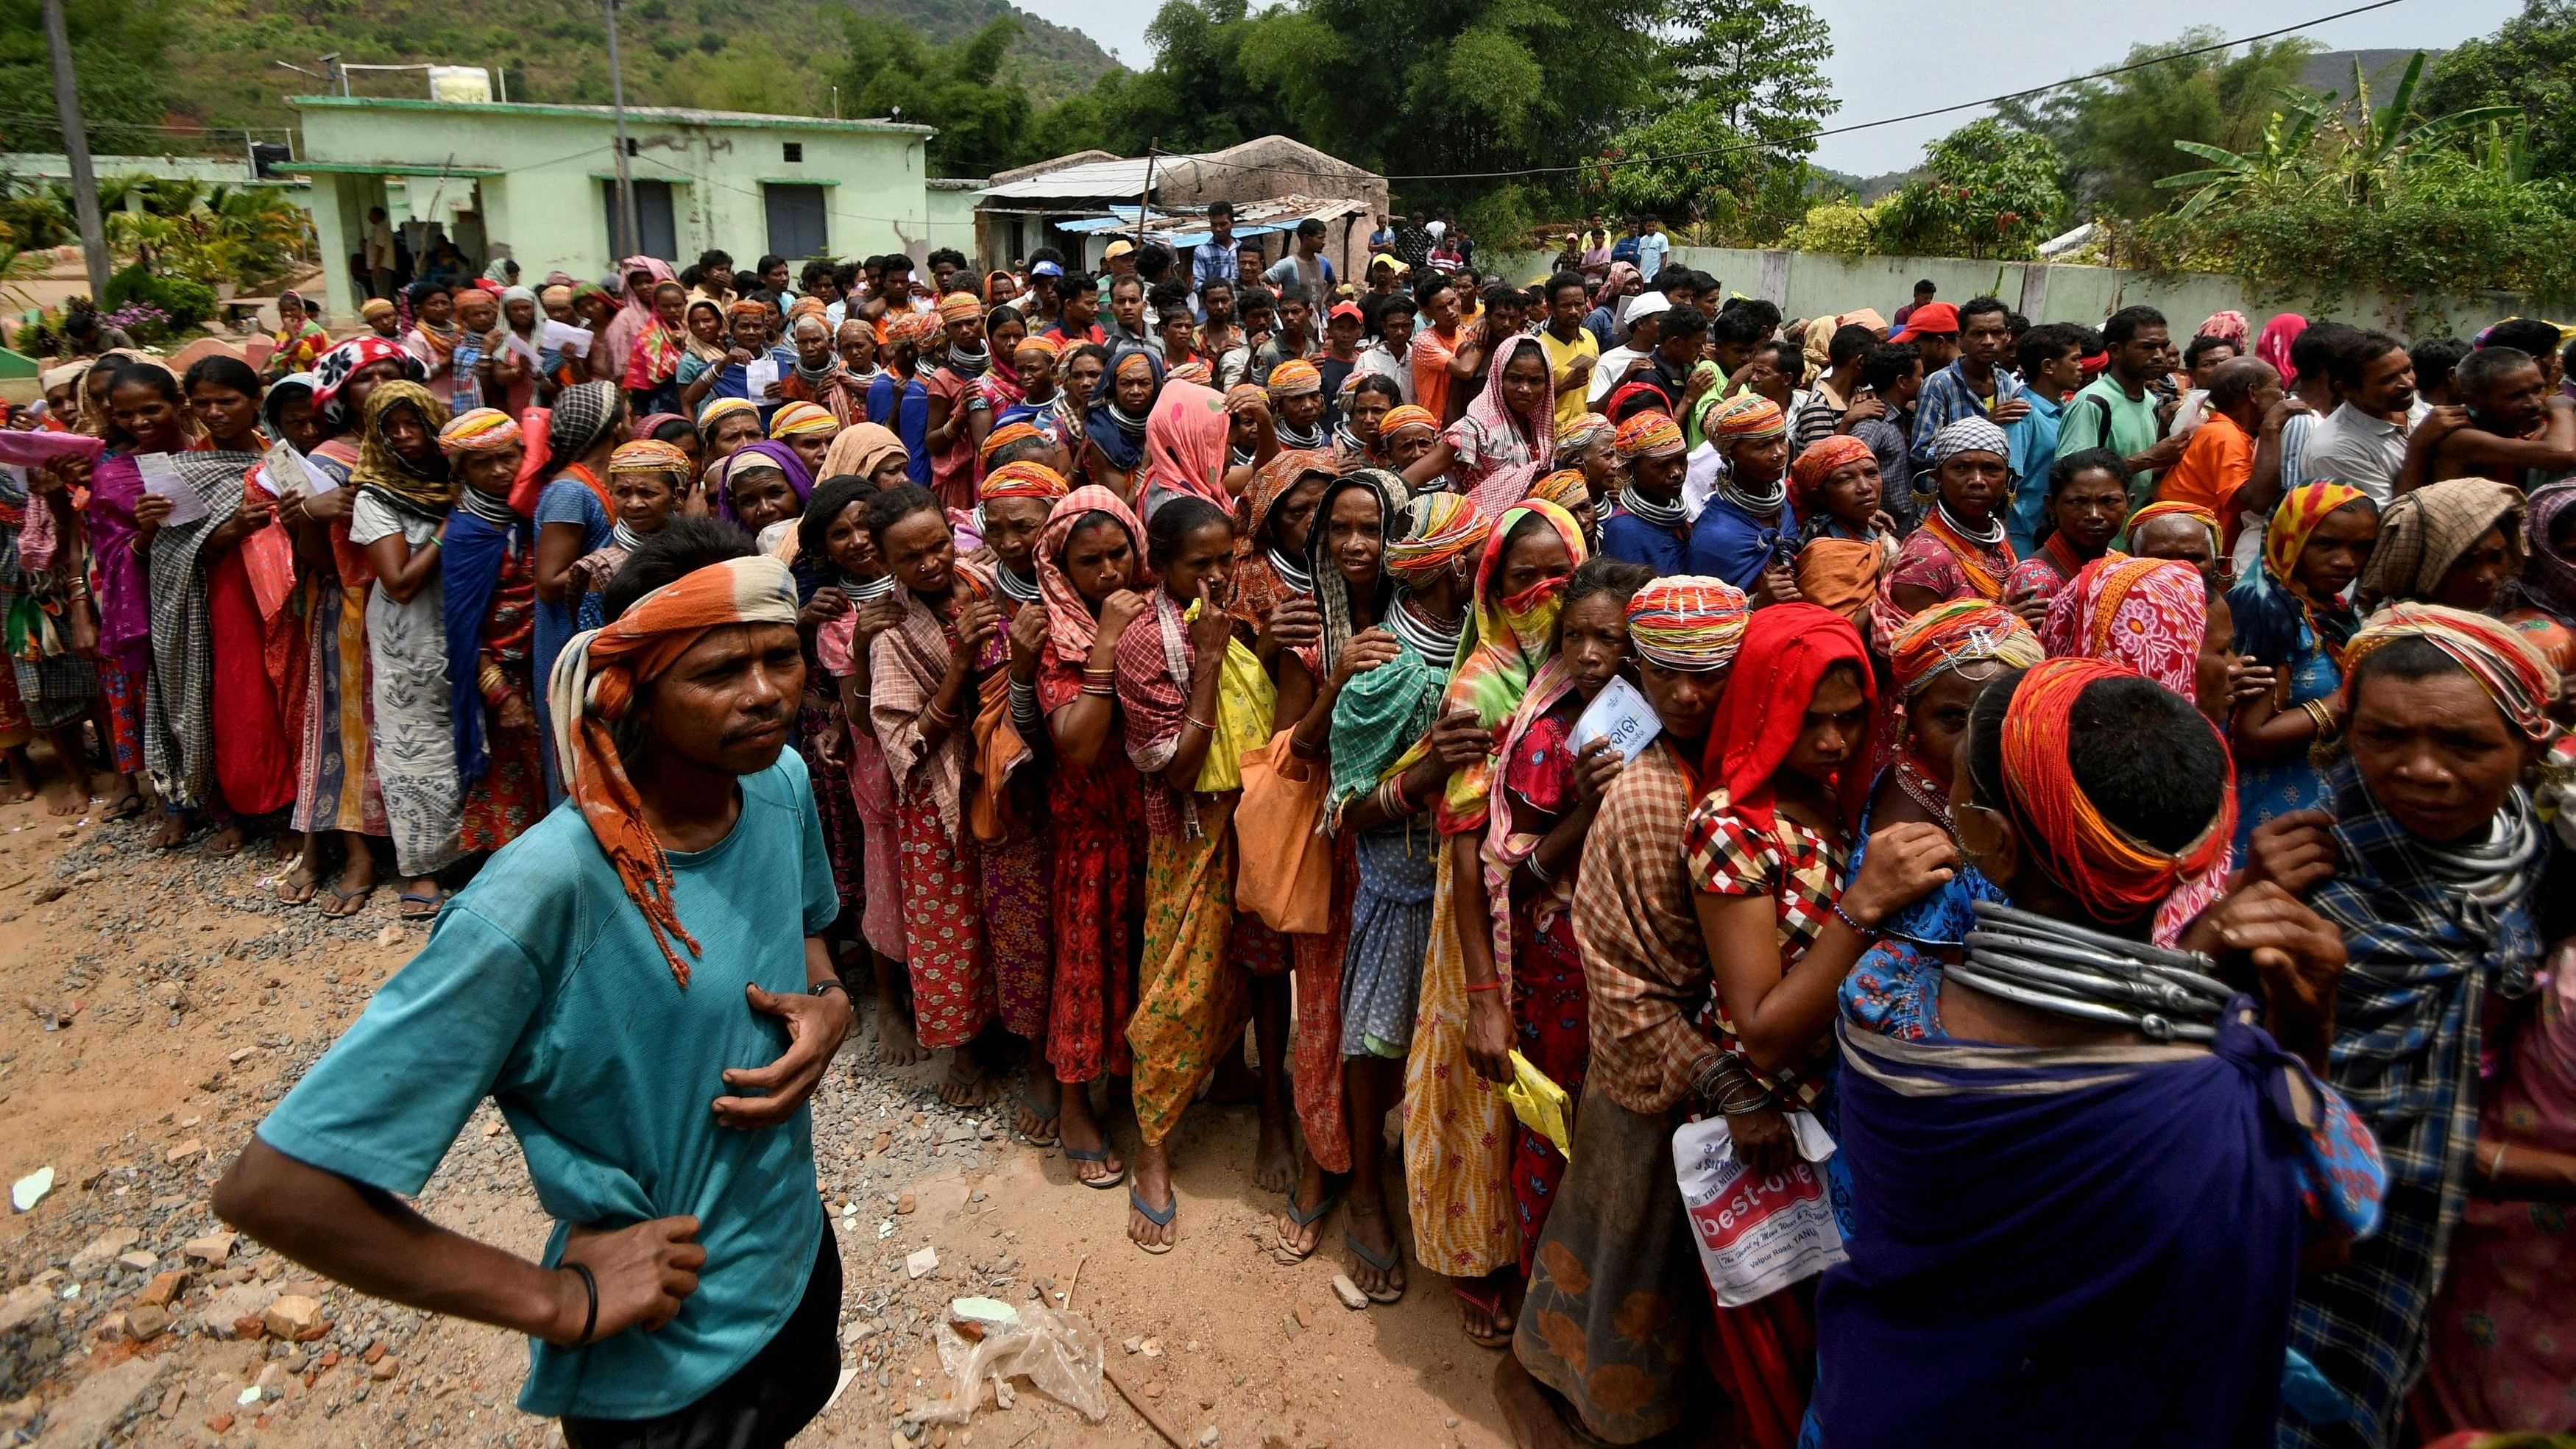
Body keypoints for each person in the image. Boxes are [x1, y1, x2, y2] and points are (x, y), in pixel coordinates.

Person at [212, 534, 853, 1449]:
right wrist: (553, 1297)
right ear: (631, 691)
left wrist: (828, 1001)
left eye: (779, 656)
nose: (765, 692)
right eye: (718, 670)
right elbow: (277, 1189)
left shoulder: (776, 781)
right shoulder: (544, 892)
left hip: (792, 1264)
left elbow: (806, 930)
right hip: (666, 1364)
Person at [1823, 658, 2377, 1446]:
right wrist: (2299, 1033)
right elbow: (2320, 1232)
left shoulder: (1883, 997)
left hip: (1911, 1401)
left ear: (1989, 839)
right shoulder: (2226, 1085)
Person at [2274, 604, 2559, 1449]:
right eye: (2382, 737)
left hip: (2475, 1264)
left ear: (2528, 744)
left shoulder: (2539, 862)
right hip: (2311, 1256)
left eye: (2463, 745)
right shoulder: (2306, 872)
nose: (2418, 771)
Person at [1501, 575, 1755, 1446]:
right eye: (1666, 673)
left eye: (1709, 673)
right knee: (1622, 1251)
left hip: (1667, 1065)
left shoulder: (1719, 763)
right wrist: (1716, 1068)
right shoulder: (1643, 789)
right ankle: (1577, 1400)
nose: (1685, 694)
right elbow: (1627, 970)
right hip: (1651, 1064)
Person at [1115, 495, 1262, 1251]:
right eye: (1196, 563)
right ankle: (1153, 1147)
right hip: (1191, 830)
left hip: (1250, 821)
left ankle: (1229, 1073)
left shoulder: (1242, 614)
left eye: (1223, 559)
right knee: (1176, 984)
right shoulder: (1149, 643)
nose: (1214, 575)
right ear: (1160, 566)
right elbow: (1175, 771)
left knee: (1240, 969)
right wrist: (1205, 659)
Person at [863, 483, 1003, 1107]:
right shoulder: (891, 634)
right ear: (886, 563)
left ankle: (1004, 1024)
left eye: (938, 546)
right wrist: (959, 664)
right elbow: (906, 738)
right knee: (949, 922)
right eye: (910, 556)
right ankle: (966, 1048)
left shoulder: (979, 585)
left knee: (1001, 910)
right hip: (938, 796)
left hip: (996, 779)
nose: (930, 563)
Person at [350, 380, 464, 911]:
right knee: (415, 742)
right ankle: (421, 867)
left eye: (412, 423)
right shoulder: (374, 495)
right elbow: (398, 581)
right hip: (408, 634)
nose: (403, 437)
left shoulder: (455, 474)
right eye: (389, 428)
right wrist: (449, 525)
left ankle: (472, 848)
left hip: (460, 622)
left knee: (465, 732)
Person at [2229, 481, 2379, 852]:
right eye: (2326, 544)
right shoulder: (2267, 608)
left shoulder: (2329, 607)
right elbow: (2252, 736)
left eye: (2360, 548)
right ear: (2289, 537)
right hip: (2272, 800)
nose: (2346, 561)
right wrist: (2350, 699)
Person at [435, 410, 546, 853]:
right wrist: (501, 695)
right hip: (504, 677)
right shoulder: (465, 533)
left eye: (508, 458)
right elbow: (462, 629)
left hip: (545, 664)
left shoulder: (534, 517)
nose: (500, 471)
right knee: (509, 776)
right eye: (484, 464)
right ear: (462, 471)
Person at [531, 383, 631, 801]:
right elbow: (550, 583)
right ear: (615, 427)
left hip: (598, 637)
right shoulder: (570, 492)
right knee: (576, 758)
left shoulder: (602, 484)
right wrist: (621, 557)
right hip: (568, 640)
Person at [1886, 418, 2023, 620]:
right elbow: (1919, 644)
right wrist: (2002, 619)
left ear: (2007, 479)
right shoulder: (1927, 557)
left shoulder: (1997, 542)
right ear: (1937, 477)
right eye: (1961, 468)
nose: (1977, 481)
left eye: (1991, 469)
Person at [2059, 305, 2187, 508]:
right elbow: (2071, 475)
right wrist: (2149, 458)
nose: (2160, 356)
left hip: (2130, 529)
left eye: (2164, 346)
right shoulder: (2093, 402)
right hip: (2097, 531)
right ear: (2115, 351)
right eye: (2148, 347)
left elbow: (2142, 477)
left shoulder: (2150, 402)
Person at [1410, 335, 1554, 514]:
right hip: (1479, 534)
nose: (1525, 389)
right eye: (1515, 379)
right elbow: (1409, 478)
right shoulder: (1472, 430)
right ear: (1497, 379)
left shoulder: (1540, 432)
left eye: (1535, 381)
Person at [2405, 344, 2576, 489]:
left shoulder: (2512, 427)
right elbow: (2563, 455)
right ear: (2474, 401)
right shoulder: (2463, 438)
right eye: (2516, 396)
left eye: (2538, 389)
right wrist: (2562, 408)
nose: (2535, 404)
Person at [1685, 394, 1798, 597]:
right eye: (1763, 446)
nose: (1779, 453)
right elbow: (1707, 609)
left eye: (1782, 439)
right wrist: (1754, 603)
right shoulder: (1714, 536)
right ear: (1729, 454)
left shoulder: (1784, 506)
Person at [1908, 298, 2027, 477]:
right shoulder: (1940, 384)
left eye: (1996, 333)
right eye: (1978, 334)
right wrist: (1984, 425)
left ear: (2008, 335)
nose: (1988, 341)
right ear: (1961, 337)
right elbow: (1920, 454)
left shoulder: (2003, 379)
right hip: (1950, 498)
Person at [1788, 436, 1897, 628]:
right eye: (1845, 480)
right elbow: (1841, 631)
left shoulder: (1868, 529)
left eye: (1871, 473)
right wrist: (1888, 585)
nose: (1865, 488)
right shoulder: (1825, 556)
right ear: (1820, 495)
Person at [2304, 332, 2424, 505]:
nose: (2409, 384)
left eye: (2407, 370)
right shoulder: (2334, 450)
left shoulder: (2404, 402)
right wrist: (2420, 446)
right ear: (2346, 389)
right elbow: (2387, 523)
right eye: (2388, 379)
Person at [2003, 447, 2129, 608]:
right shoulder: (2038, 578)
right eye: (2077, 502)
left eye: (2109, 501)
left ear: (2128, 505)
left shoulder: (2118, 563)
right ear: (2051, 506)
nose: (2094, 515)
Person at [2001, 323, 2088, 555]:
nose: (2081, 367)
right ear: (2048, 366)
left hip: (2046, 533)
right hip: (2021, 535)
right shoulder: (2022, 414)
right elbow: (2005, 480)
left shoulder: (2063, 409)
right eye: (2075, 360)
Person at [1600, 408, 1691, 574]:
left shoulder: (1675, 516)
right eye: (1662, 465)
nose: (1677, 473)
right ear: (1629, 470)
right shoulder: (1624, 531)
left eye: (1682, 460)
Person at [268, 291, 330, 378]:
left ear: (301, 310)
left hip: (309, 374)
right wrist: (258, 372)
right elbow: (276, 351)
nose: (288, 313)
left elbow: (307, 357)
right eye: (284, 310)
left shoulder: (312, 330)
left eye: (292, 310)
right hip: (287, 371)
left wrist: (292, 335)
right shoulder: (283, 331)